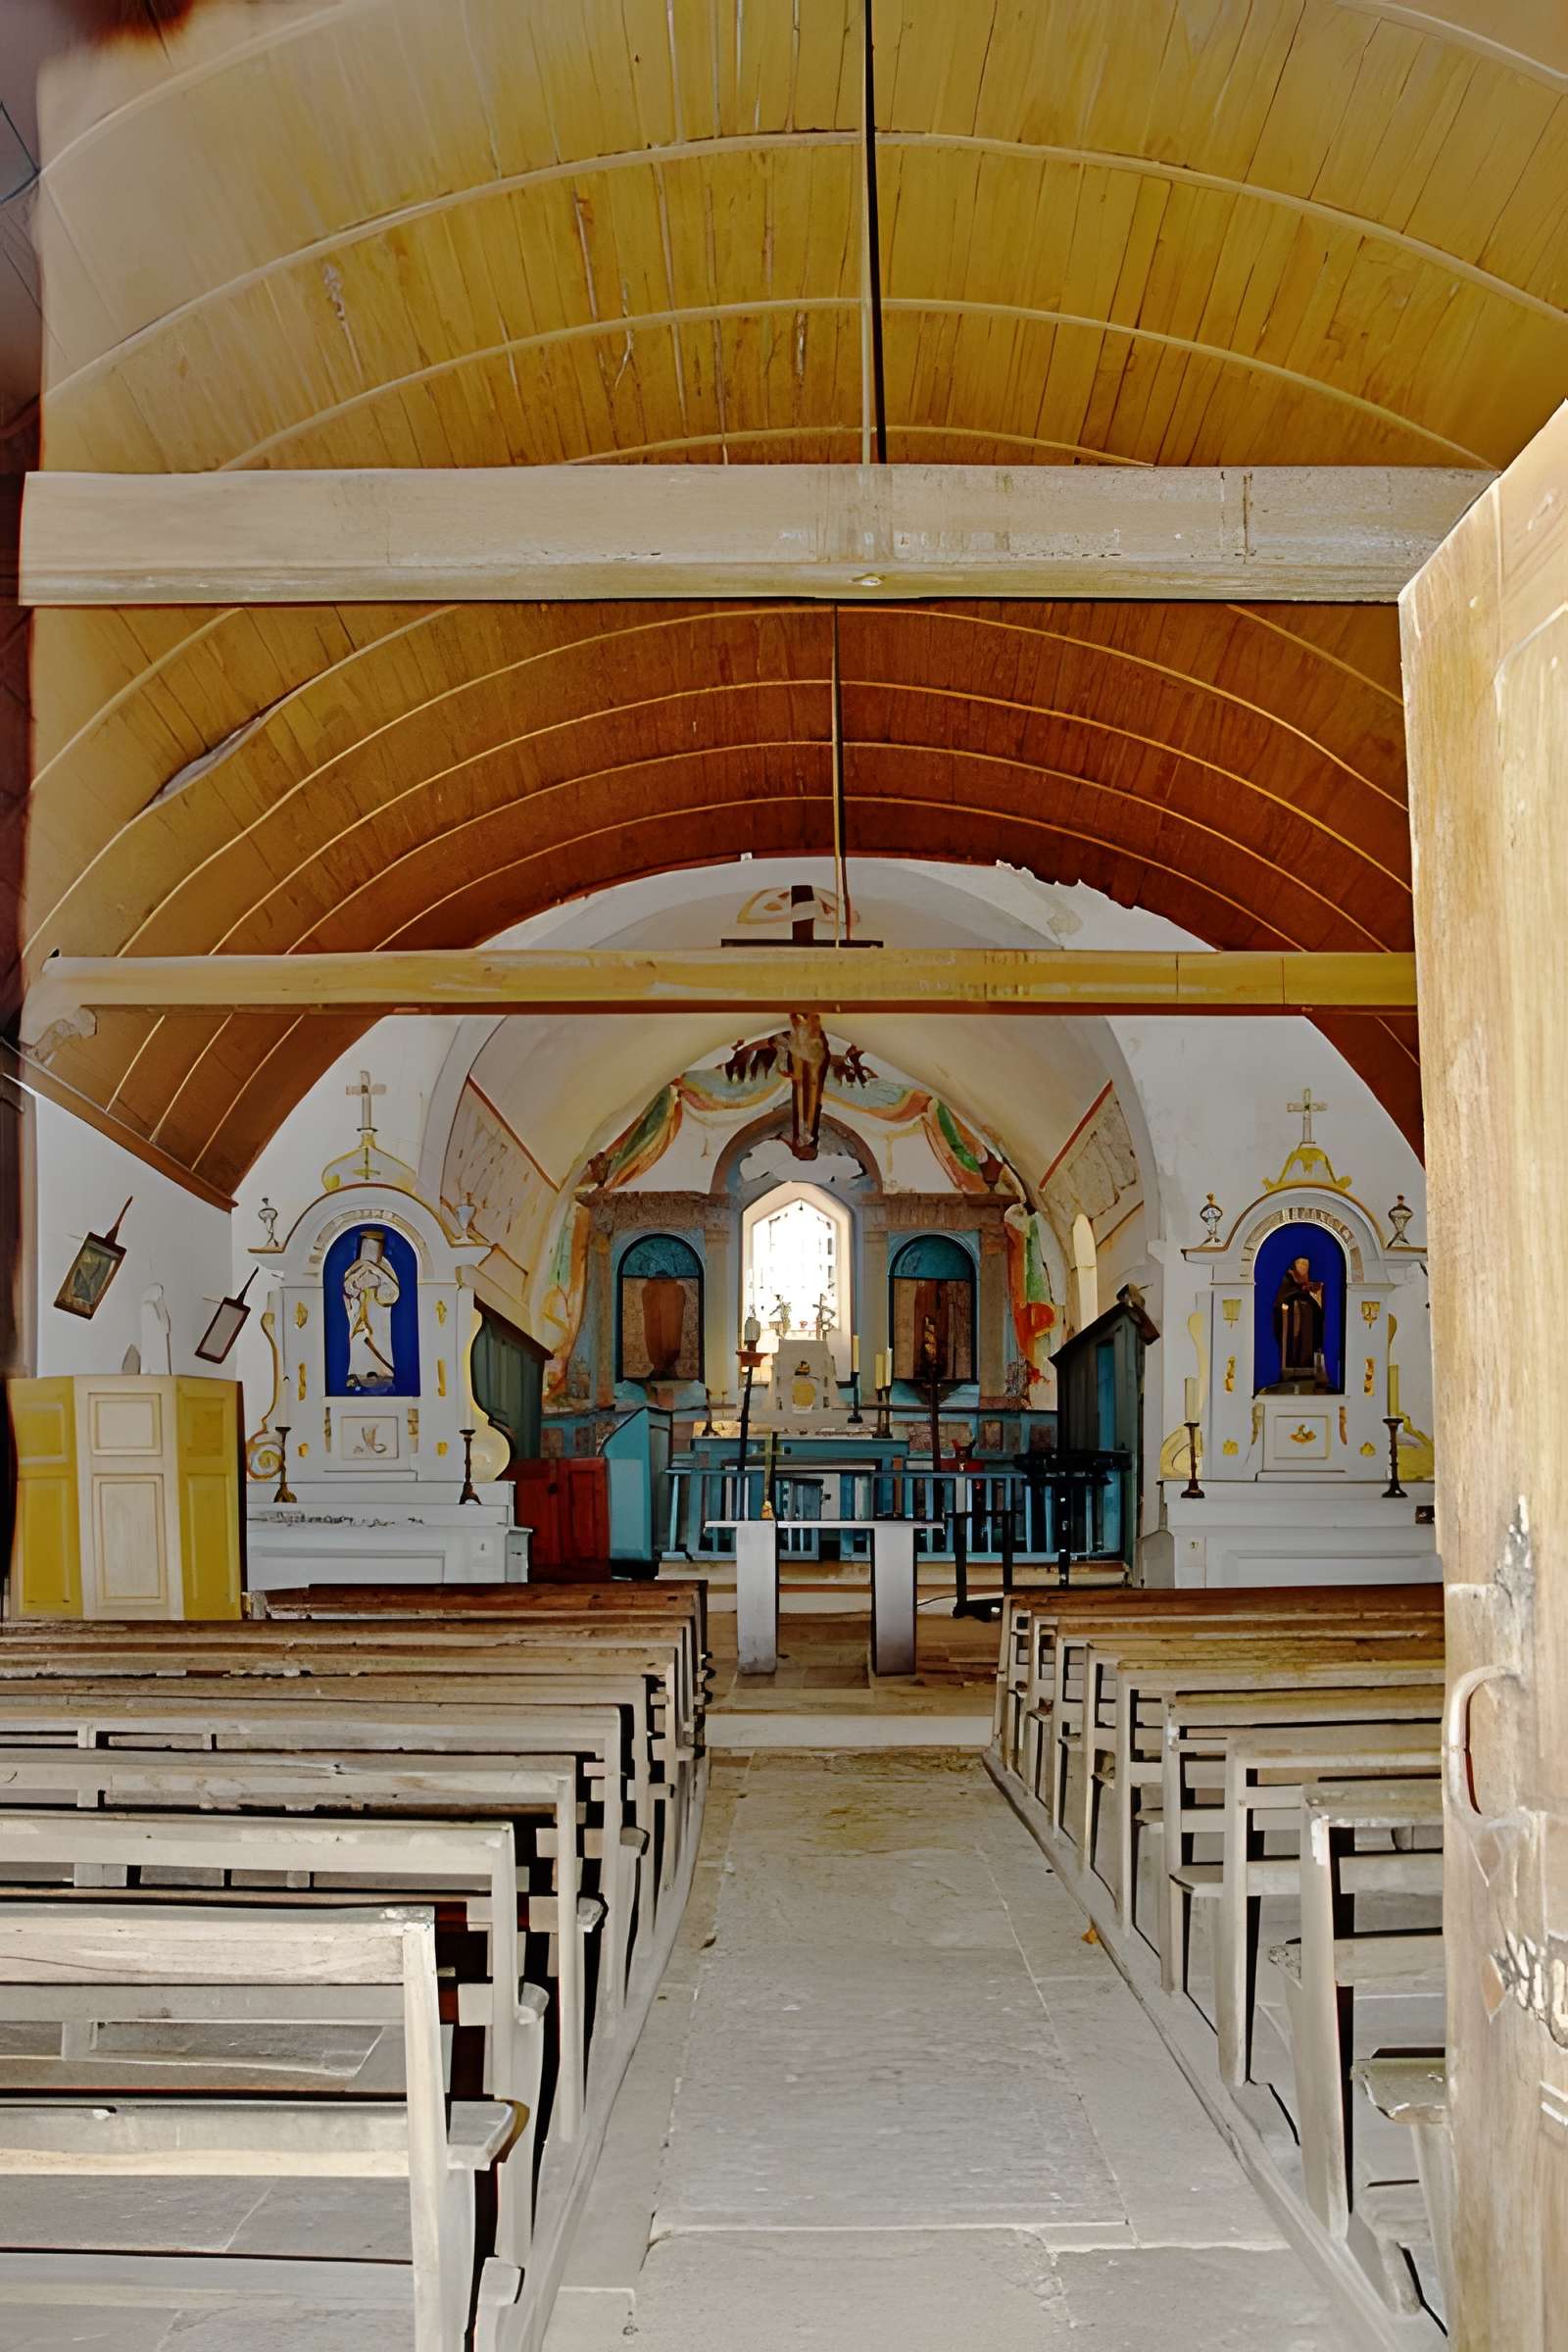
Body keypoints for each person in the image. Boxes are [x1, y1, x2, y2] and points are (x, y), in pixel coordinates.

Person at [1273, 1252, 1327, 1386]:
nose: (1303, 1267)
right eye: (1301, 1264)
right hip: (1291, 1322)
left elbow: (1318, 1309)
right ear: (1295, 1265)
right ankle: (1291, 1372)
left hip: (1307, 1324)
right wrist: (1301, 1291)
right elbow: (1282, 1298)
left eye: (1306, 1265)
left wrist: (1316, 1296)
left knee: (1307, 1344)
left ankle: (1307, 1370)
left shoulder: (1309, 1285)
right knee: (1293, 1346)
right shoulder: (1288, 1279)